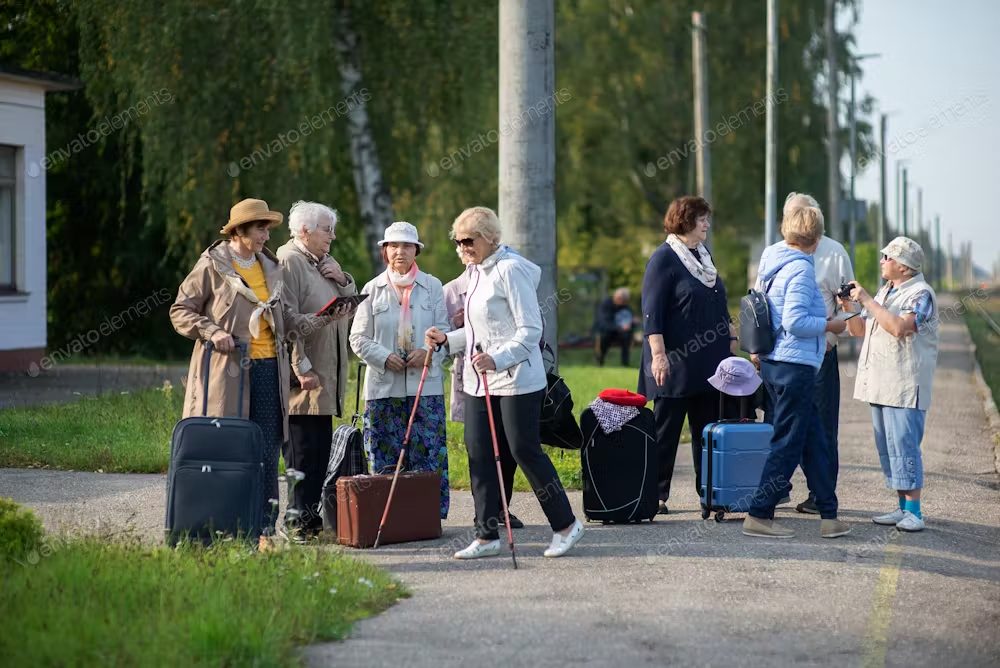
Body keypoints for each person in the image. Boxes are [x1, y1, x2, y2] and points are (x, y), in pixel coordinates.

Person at [425, 206, 584, 559]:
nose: (462, 246)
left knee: (523, 449)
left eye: (469, 240)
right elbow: (479, 329)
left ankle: (566, 525)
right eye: (458, 240)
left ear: (491, 238)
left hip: (518, 379)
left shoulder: (511, 271)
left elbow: (531, 330)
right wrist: (448, 340)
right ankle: (486, 535)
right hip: (480, 381)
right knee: (478, 450)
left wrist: (497, 358)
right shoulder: (476, 272)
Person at [170, 198, 293, 548]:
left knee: (266, 450)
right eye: (260, 228)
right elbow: (180, 311)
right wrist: (212, 331)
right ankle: (221, 528)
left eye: (268, 228)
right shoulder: (212, 265)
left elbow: (286, 320)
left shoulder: (271, 267)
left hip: (269, 368)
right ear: (239, 231)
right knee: (228, 449)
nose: (266, 235)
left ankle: (265, 532)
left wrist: (328, 315)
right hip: (228, 372)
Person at [742, 203, 851, 539]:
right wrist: (832, 324)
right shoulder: (802, 270)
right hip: (796, 365)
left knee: (814, 438)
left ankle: (829, 514)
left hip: (777, 361)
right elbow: (795, 322)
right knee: (788, 442)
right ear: (816, 238)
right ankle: (759, 514)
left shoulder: (774, 263)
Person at [639, 196, 739, 515]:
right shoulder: (664, 258)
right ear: (685, 221)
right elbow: (651, 312)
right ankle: (655, 494)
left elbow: (717, 300)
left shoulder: (703, 256)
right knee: (665, 431)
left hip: (709, 361)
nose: (707, 224)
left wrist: (731, 335)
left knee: (706, 430)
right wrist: (658, 355)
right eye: (701, 219)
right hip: (674, 363)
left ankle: (709, 493)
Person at [349, 222, 451, 519]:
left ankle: (427, 516)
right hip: (383, 387)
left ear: (416, 250)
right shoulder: (372, 289)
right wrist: (383, 357)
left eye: (407, 246)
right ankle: (387, 517)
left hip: (424, 386)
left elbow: (445, 333)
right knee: (384, 454)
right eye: (393, 246)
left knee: (428, 454)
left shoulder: (432, 286)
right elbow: (358, 338)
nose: (400, 251)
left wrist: (429, 352)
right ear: (385, 252)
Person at [841, 236, 938, 532]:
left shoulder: (921, 294)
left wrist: (867, 299)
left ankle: (916, 512)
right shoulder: (887, 291)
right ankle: (902, 508)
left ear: (905, 267)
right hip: (882, 383)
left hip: (905, 385)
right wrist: (848, 304)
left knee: (906, 446)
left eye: (888, 257)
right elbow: (859, 330)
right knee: (888, 448)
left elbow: (900, 328)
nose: (882, 261)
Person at [276, 201, 357, 541]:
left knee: (319, 453)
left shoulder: (321, 262)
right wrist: (301, 367)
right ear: (305, 231)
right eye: (327, 230)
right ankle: (294, 523)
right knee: (302, 453)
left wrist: (343, 279)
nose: (333, 237)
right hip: (305, 378)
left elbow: (348, 310)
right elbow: (286, 322)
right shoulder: (289, 261)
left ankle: (309, 523)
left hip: (326, 375)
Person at [442, 245, 523, 529]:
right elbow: (443, 335)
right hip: (471, 375)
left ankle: (503, 507)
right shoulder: (451, 290)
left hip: (506, 371)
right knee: (479, 445)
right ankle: (483, 511)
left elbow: (528, 322)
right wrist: (455, 326)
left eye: (472, 245)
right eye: (462, 247)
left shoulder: (505, 278)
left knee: (508, 444)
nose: (467, 252)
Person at [594, 287, 634, 367]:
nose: (625, 303)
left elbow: (630, 317)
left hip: (620, 332)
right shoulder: (606, 304)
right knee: (604, 336)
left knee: (628, 335)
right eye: (623, 301)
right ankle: (600, 362)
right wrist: (620, 327)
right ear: (618, 298)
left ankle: (625, 363)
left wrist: (633, 322)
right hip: (607, 331)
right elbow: (604, 323)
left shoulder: (624, 306)